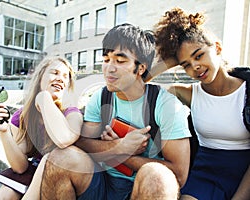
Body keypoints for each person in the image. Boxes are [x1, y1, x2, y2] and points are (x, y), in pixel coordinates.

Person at [36, 23, 191, 200]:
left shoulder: (166, 105)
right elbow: (81, 142)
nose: (109, 68)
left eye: (120, 60)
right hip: (102, 184)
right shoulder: (100, 98)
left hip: (141, 189)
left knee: (157, 176)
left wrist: (122, 155)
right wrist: (118, 147)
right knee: (61, 157)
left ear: (141, 67)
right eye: (106, 59)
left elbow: (179, 175)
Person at [151, 7, 250, 200]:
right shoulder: (186, 93)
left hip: (245, 175)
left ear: (218, 48)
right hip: (205, 175)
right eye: (186, 64)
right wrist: (170, 60)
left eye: (199, 55)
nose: (195, 66)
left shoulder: (247, 91)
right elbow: (138, 82)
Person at [0, 56, 83, 200]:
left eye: (65, 76)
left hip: (64, 177)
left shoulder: (72, 113)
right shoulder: (22, 116)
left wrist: (44, 98)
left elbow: (63, 140)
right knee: (5, 194)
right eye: (55, 73)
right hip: (35, 171)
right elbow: (20, 167)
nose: (60, 78)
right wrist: (4, 131)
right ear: (40, 77)